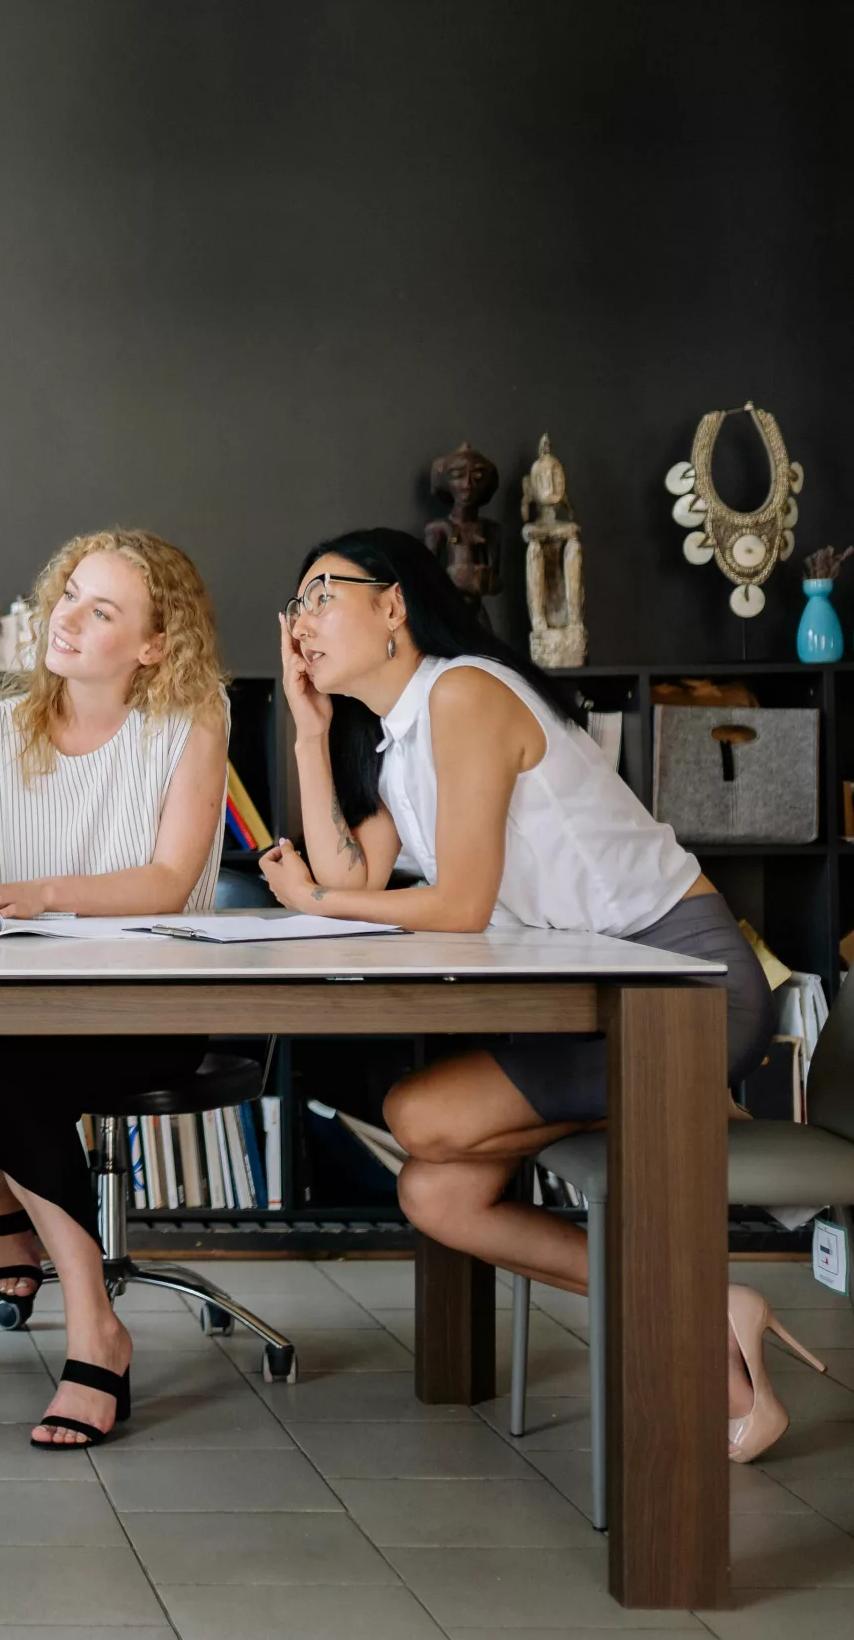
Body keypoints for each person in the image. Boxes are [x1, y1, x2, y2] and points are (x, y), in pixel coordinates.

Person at [258, 526, 801, 1462]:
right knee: (436, 1195)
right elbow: (355, 879)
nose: (299, 620)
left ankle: (708, 1308)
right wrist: (310, 737)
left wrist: (315, 895)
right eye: (293, 602)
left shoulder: (466, 693)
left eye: (320, 594)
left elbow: (456, 903)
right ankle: (716, 1314)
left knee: (418, 1113)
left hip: (684, 991)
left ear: (394, 604)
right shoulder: (401, 743)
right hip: (599, 997)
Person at [0, 529, 229, 1449]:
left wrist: (42, 891)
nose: (68, 620)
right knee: (0, 1059)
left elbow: (166, 880)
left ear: (155, 645)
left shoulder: (191, 727)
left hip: (147, 1008)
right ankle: (33, 1235)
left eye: (103, 610)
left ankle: (93, 1325)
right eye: (69, 595)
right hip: (9, 1011)